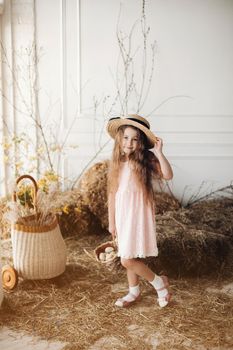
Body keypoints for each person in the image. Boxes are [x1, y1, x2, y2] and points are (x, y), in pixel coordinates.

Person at [107, 114, 173, 308]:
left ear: (141, 142)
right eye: (126, 137)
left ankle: (159, 284)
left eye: (135, 139)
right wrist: (112, 222)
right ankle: (133, 291)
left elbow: (168, 175)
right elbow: (112, 194)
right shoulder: (117, 162)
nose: (129, 143)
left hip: (138, 214)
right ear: (120, 138)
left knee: (127, 259)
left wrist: (160, 153)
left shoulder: (146, 160)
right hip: (122, 214)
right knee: (129, 254)